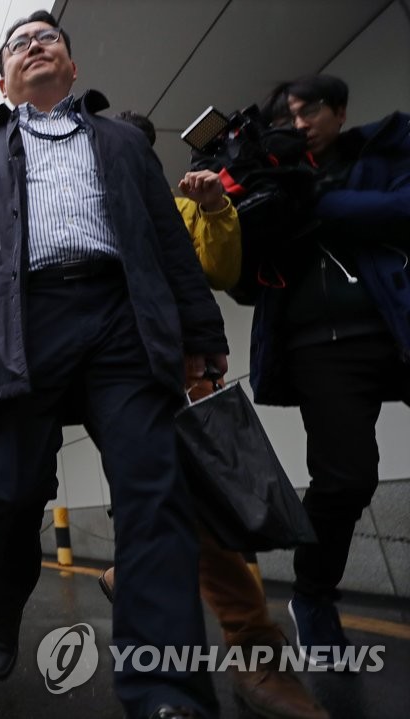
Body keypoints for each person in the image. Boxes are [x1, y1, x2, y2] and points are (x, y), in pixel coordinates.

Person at [0, 10, 228, 719]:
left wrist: (201, 332)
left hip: (121, 318)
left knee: (155, 491)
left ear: (73, 67)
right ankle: (3, 605)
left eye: (48, 39)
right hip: (21, 323)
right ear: (3, 81)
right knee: (8, 495)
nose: (35, 47)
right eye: (19, 44)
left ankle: (167, 691)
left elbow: (169, 241)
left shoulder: (122, 142)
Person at [99, 112, 327, 719]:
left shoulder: (174, 207)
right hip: (119, 382)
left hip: (184, 373)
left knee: (213, 501)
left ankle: (249, 649)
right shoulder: (73, 209)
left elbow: (220, 270)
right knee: (176, 504)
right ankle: (242, 648)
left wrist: (217, 209)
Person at [250, 75, 410, 668]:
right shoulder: (268, 177)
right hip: (321, 347)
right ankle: (313, 595)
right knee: (345, 480)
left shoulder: (382, 153)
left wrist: (314, 201)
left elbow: (402, 209)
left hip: (396, 324)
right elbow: (242, 272)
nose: (298, 125)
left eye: (309, 111)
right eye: (286, 118)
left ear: (340, 111)